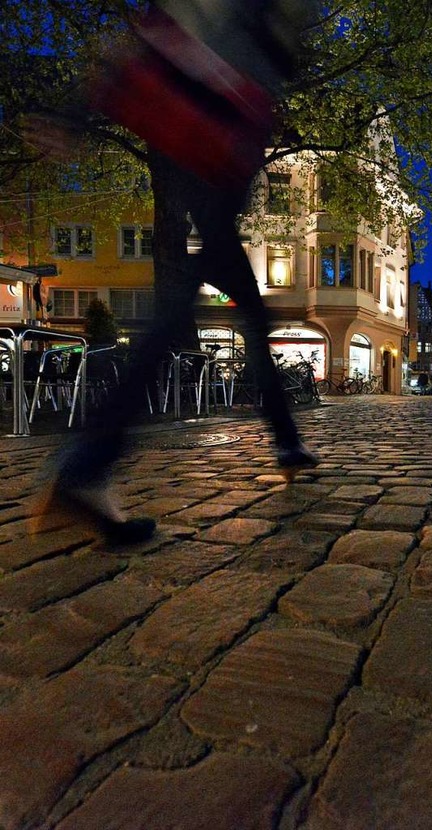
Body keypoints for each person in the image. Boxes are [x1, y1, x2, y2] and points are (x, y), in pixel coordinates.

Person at [28, 0, 319, 544]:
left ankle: (284, 438)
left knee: (248, 314)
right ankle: (85, 467)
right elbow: (157, 37)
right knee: (173, 321)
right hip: (210, 154)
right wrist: (73, 113)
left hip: (215, 164)